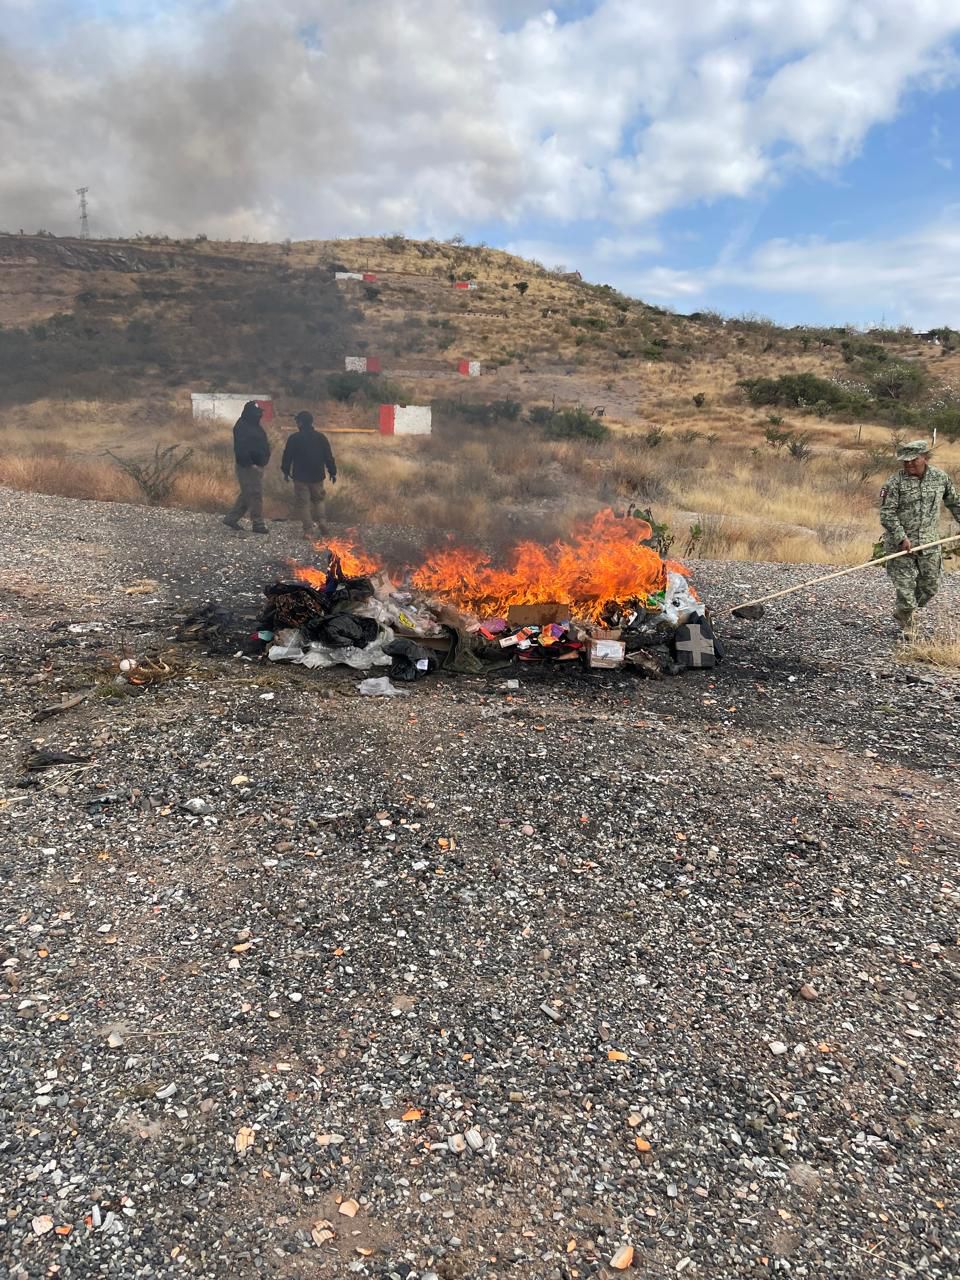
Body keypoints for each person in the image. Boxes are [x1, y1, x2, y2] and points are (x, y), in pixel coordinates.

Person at [879, 439, 960, 632]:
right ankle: (908, 622)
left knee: (930, 587)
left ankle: (904, 610)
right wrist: (901, 538)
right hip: (901, 547)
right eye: (905, 461)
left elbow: (954, 503)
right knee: (906, 592)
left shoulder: (940, 478)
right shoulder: (894, 482)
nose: (908, 464)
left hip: (929, 544)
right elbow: (887, 514)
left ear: (925, 457)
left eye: (913, 460)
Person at [281, 411, 337, 536]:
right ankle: (322, 522)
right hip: (317, 476)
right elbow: (328, 456)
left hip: (300, 477)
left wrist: (285, 471)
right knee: (319, 500)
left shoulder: (294, 438)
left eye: (297, 421)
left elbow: (287, 456)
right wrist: (332, 472)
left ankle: (308, 530)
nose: (296, 423)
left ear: (300, 422)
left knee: (303, 504)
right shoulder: (321, 437)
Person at [223, 401, 271, 533]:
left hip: (258, 466)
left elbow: (264, 444)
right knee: (255, 493)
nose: (259, 415)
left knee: (247, 493)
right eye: (256, 413)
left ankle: (231, 518)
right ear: (249, 413)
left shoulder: (256, 427)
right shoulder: (241, 426)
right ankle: (258, 523)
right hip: (246, 466)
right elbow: (241, 448)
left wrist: (264, 461)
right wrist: (251, 464)